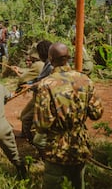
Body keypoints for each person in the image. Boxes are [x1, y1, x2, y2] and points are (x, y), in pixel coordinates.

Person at [34, 42, 103, 189]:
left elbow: (41, 124)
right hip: (80, 146)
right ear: (68, 58)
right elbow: (97, 113)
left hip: (57, 149)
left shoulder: (46, 84)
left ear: (50, 59)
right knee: (78, 184)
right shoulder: (85, 80)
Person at [18, 40, 52, 143]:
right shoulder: (46, 64)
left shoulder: (50, 66)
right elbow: (39, 78)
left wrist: (31, 85)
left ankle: (32, 142)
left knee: (27, 119)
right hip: (38, 95)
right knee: (24, 116)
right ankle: (26, 136)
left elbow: (46, 82)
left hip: (44, 98)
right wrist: (30, 84)